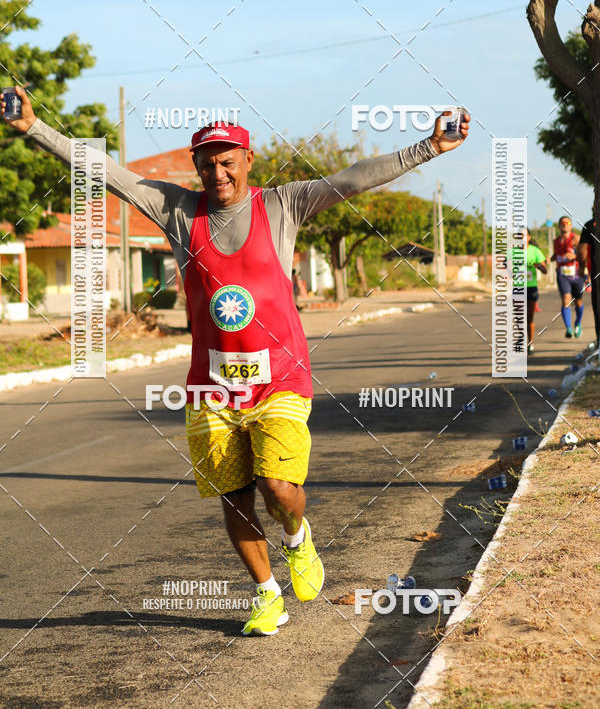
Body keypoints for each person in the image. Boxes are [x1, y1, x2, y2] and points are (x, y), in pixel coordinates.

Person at [2, 87, 469, 635]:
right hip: (211, 388)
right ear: (196, 167)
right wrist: (34, 128)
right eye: (206, 164)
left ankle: (297, 539)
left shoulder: (282, 204)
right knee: (235, 495)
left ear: (247, 160)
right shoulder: (178, 210)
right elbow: (111, 174)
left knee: (276, 487)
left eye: (227, 161)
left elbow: (352, 179)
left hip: (281, 380)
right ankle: (266, 594)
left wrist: (428, 148)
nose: (217, 173)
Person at [551, 216, 585, 338]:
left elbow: (584, 255)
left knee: (578, 301)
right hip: (562, 274)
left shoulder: (576, 239)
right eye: (563, 223)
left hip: (576, 275)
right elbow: (556, 254)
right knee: (566, 299)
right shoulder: (556, 241)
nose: (565, 225)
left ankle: (578, 323)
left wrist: (575, 256)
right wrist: (551, 259)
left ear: (571, 225)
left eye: (568, 223)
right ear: (559, 226)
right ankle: (569, 328)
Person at [578, 207, 599, 346]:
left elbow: (582, 250)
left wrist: (582, 266)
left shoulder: (590, 225)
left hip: (597, 271)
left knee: (598, 304)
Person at [524, 229, 547, 354]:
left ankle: (530, 343)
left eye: (523, 235)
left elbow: (545, 270)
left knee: (529, 316)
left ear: (528, 237)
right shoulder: (513, 252)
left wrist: (539, 266)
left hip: (531, 287)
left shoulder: (535, 251)